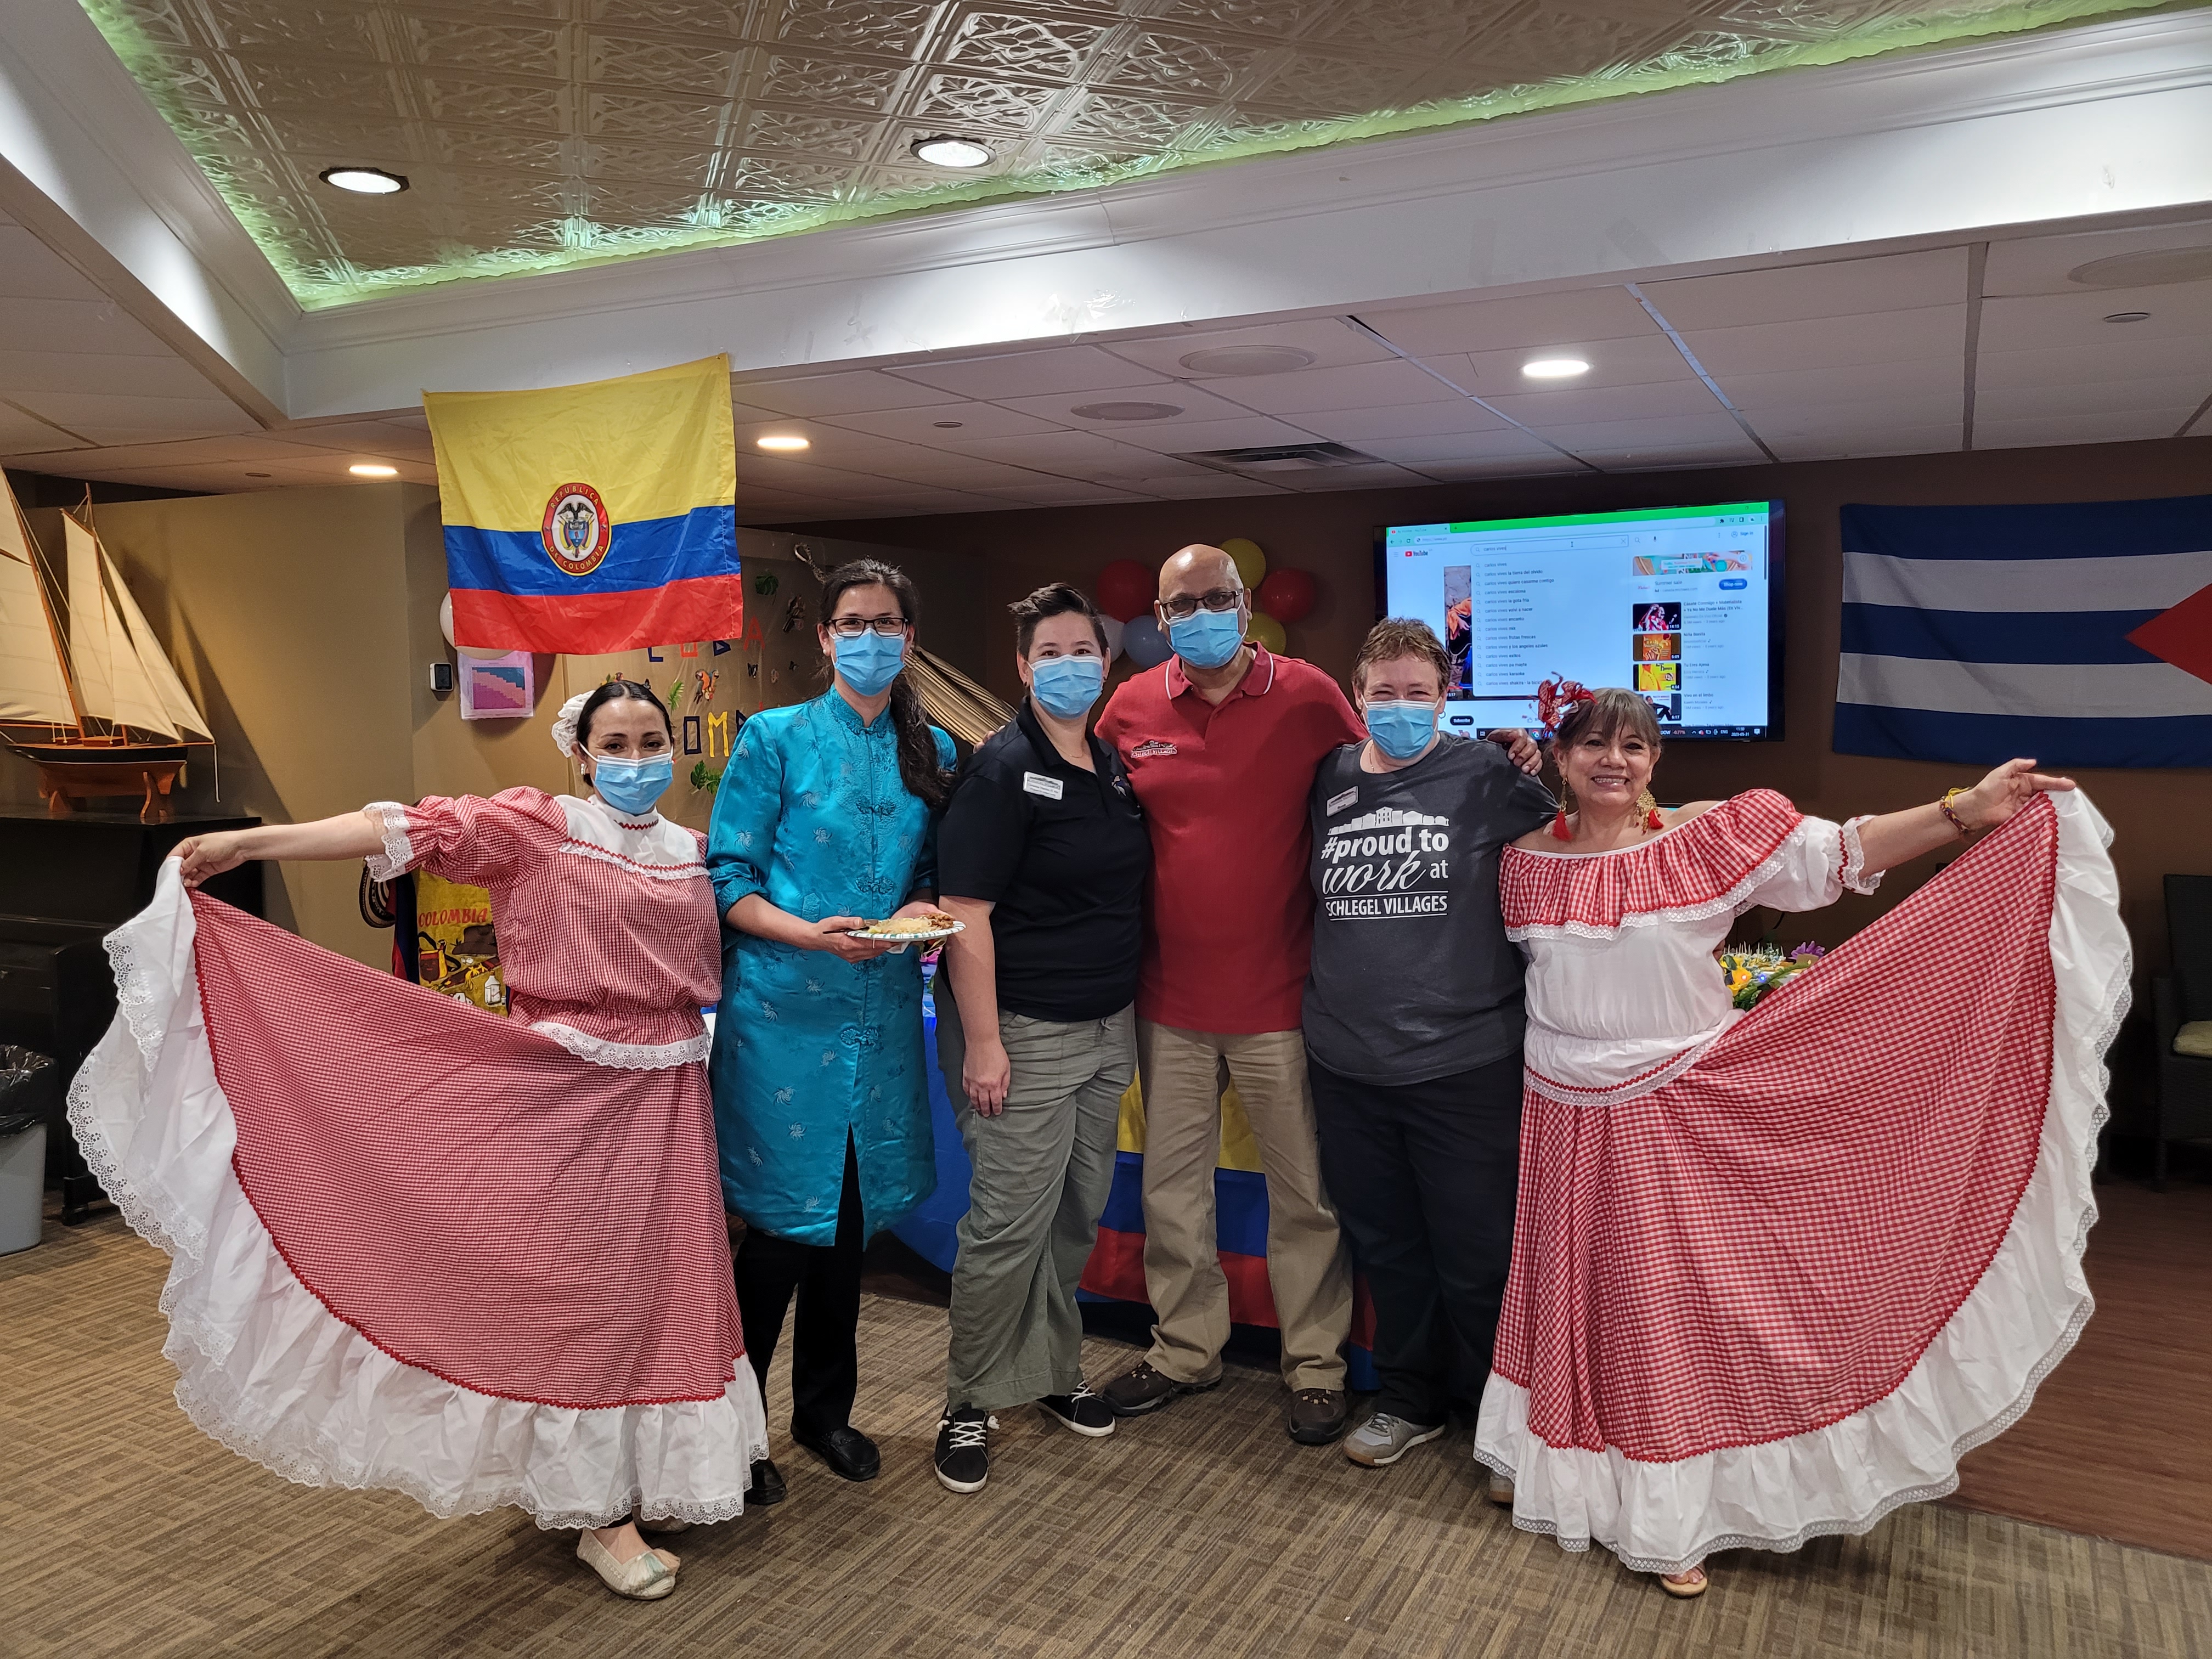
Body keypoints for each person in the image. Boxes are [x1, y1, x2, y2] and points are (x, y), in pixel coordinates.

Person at [70, 679, 768, 1601]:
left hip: (672, 1099)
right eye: (616, 743)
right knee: (583, 1290)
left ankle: (648, 1475)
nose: (636, 761)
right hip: (567, 1096)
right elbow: (402, 827)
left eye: (650, 741)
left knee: (664, 1282)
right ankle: (598, 1512)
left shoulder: (692, 850)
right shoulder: (541, 828)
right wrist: (251, 842)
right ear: (582, 752)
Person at [1476, 682, 2125, 1598]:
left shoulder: (1704, 835)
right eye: (1592, 745)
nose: (1612, 761)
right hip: (1559, 1109)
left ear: (1656, 761)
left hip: (1676, 1112)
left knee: (1669, 1309)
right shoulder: (1524, 862)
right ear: (1563, 757)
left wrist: (1963, 813)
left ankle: (1674, 1511)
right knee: (1564, 1285)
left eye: (1632, 746)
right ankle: (1546, 1462)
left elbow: (1842, 853)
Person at [1092, 545, 1537, 1443]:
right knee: (1173, 1194)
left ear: (1246, 601)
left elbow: (1392, 770)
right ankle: (1185, 1348)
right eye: (1184, 604)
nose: (1203, 613)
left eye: (1220, 597)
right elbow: (1088, 805)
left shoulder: (1308, 697)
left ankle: (1316, 1367)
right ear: (1162, 613)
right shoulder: (1130, 706)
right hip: (1167, 999)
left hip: (1287, 1000)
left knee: (1308, 1200)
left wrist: (1513, 748)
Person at [709, 557, 957, 1494]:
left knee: (848, 1230)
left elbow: (930, 874)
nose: (870, 638)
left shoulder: (932, 750)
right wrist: (808, 935)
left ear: (909, 636)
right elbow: (728, 881)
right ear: (824, 637)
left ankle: (824, 1414)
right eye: (852, 623)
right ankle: (730, 1436)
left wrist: (918, 916)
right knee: (776, 1238)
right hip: (783, 1018)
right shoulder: (771, 740)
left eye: (887, 623)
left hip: (883, 1017)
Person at [1301, 619, 1553, 1472]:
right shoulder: (1330, 776)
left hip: (1464, 1063)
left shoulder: (1487, 774)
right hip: (1346, 1064)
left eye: (1420, 692)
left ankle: (1497, 1418)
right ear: (1358, 693)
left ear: (1447, 697)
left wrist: (1539, 759)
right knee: (1390, 1248)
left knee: (1476, 1251)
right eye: (1385, 692)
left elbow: (1583, 852)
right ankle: (1409, 1398)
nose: (1401, 707)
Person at [928, 582, 1150, 1492]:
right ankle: (967, 1399)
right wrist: (982, 1043)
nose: (1070, 666)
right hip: (1022, 1031)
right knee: (1007, 1227)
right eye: (1049, 653)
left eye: (1084, 651)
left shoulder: (1110, 761)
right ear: (1023, 668)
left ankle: (1053, 1372)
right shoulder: (1000, 766)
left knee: (1073, 1216)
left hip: (1108, 1028)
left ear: (1108, 663)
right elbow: (963, 914)